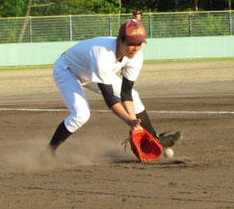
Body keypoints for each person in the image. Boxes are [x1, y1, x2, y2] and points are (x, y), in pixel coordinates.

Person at [47, 19, 182, 155]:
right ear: (119, 40)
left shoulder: (136, 56)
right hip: (67, 70)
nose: (135, 48)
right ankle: (48, 152)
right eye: (131, 43)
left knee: (134, 96)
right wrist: (131, 121)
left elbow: (126, 93)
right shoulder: (102, 55)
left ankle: (156, 139)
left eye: (139, 43)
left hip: (90, 70)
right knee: (81, 115)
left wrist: (134, 121)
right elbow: (110, 98)